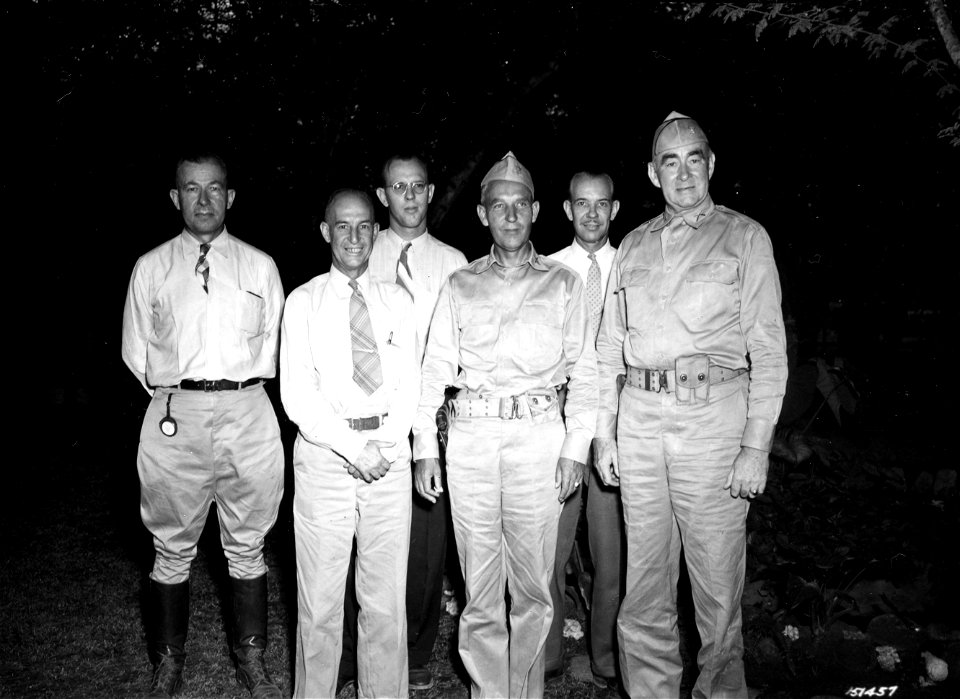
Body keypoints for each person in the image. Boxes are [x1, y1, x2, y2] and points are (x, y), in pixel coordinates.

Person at [594, 112, 788, 698]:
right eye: (669, 162)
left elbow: (770, 352)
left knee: (717, 593)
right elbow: (608, 348)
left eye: (693, 158)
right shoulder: (631, 244)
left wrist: (755, 448)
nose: (683, 172)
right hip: (641, 425)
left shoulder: (745, 237)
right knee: (645, 589)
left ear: (711, 164)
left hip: (714, 425)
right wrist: (605, 434)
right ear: (654, 174)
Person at [413, 152, 598, 698]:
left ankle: (526, 692)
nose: (511, 216)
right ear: (482, 214)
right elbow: (433, 373)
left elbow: (585, 373)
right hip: (470, 441)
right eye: (499, 206)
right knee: (480, 588)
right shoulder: (459, 284)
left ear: (536, 210)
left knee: (535, 589)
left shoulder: (563, 285)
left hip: (539, 437)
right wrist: (426, 446)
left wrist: (575, 449)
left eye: (520, 206)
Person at [121, 153, 285, 699]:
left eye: (215, 189)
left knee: (248, 541)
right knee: (171, 545)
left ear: (230, 196)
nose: (204, 200)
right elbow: (135, 353)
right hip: (175, 414)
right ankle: (168, 661)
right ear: (175, 198)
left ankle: (252, 659)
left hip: (248, 409)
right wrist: (180, 398)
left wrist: (232, 394)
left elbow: (275, 344)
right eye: (191, 189)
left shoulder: (260, 265)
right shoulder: (151, 267)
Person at [280, 189, 420, 699]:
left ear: (375, 231)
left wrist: (383, 445)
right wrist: (352, 448)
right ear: (326, 231)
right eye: (343, 226)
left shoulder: (398, 301)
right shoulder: (303, 302)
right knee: (319, 604)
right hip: (326, 460)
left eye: (364, 226)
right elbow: (297, 395)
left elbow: (411, 383)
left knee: (384, 603)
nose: (355, 237)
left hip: (387, 460)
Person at [337, 154, 467, 692]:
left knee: (427, 543)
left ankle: (413, 654)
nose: (409, 197)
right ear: (382, 193)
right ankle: (352, 654)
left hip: (433, 413)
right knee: (359, 540)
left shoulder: (456, 261)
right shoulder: (362, 251)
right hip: (371, 413)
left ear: (431, 191)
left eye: (418, 187)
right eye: (398, 187)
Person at [545, 172, 624, 690]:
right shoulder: (549, 270)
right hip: (562, 425)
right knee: (549, 548)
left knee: (611, 551)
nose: (591, 214)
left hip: (616, 425)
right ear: (568, 209)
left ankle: (607, 656)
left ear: (614, 209)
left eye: (601, 204)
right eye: (581, 204)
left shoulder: (632, 265)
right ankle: (547, 653)